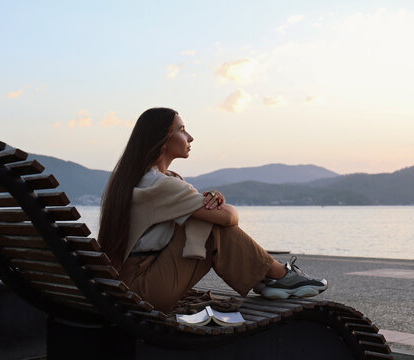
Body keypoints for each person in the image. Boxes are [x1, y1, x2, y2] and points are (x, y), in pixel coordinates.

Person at [98, 107, 327, 312]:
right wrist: (219, 208)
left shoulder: (133, 180)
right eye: (182, 130)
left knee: (201, 221)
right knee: (209, 228)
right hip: (142, 290)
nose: (190, 137)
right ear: (163, 140)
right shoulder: (160, 184)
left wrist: (209, 205)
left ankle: (270, 277)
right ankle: (279, 275)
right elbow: (229, 218)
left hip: (123, 284)